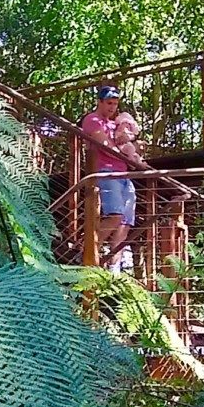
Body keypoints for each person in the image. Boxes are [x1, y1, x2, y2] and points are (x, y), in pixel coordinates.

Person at [81, 85, 136, 272]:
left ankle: (115, 269)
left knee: (125, 223)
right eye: (109, 103)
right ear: (100, 102)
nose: (112, 107)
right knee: (115, 215)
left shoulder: (115, 124)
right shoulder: (92, 120)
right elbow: (105, 146)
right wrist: (126, 154)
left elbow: (125, 141)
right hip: (106, 171)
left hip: (124, 174)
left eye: (115, 103)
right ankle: (88, 254)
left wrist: (133, 152)